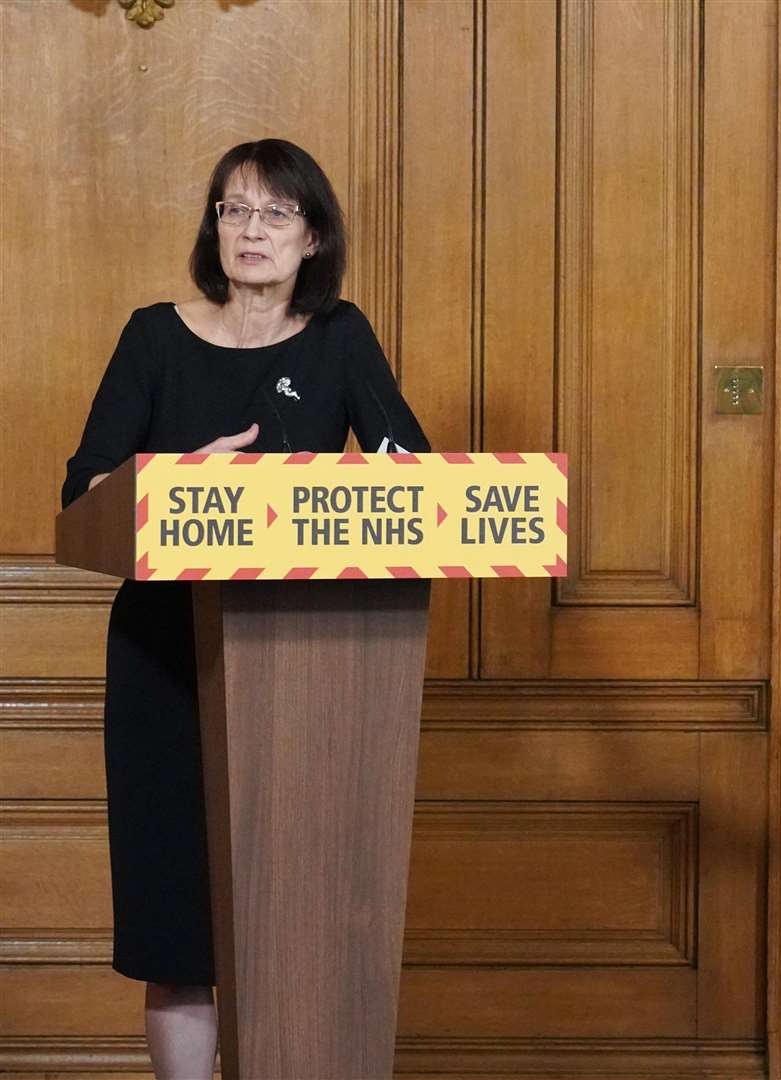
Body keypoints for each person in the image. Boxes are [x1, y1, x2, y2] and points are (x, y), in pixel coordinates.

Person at [60, 139, 429, 1080]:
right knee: (178, 926)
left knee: (297, 920)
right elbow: (83, 494)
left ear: (313, 236)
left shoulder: (340, 335)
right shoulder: (153, 335)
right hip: (166, 663)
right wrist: (184, 481)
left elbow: (413, 481)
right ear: (211, 228)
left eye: (273, 214)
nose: (250, 230)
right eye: (233, 210)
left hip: (309, 665)